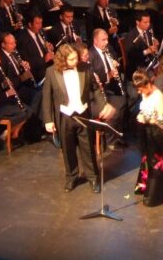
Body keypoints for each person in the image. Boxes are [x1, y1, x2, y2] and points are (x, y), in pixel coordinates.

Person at [42, 44, 112, 193]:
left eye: (76, 58)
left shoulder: (85, 68)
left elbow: (96, 89)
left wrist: (103, 105)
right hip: (64, 116)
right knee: (67, 149)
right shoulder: (51, 72)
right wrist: (48, 120)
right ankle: (72, 177)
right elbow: (47, 97)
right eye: (72, 59)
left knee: (88, 147)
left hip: (82, 113)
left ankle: (93, 178)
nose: (76, 61)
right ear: (62, 59)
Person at [132, 69, 163, 205]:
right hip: (147, 132)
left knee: (156, 164)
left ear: (147, 85)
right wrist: (142, 116)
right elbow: (145, 110)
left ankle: (156, 195)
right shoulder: (145, 93)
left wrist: (148, 120)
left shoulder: (159, 97)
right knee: (147, 160)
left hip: (157, 135)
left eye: (140, 89)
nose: (139, 92)